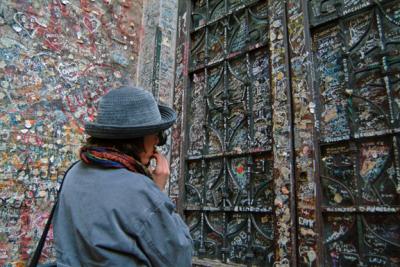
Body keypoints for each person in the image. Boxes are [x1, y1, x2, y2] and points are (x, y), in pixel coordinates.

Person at [53, 86, 193, 267]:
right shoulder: (139, 190)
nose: (158, 141)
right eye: (156, 134)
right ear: (137, 138)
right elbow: (178, 259)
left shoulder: (73, 173)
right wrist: (156, 192)